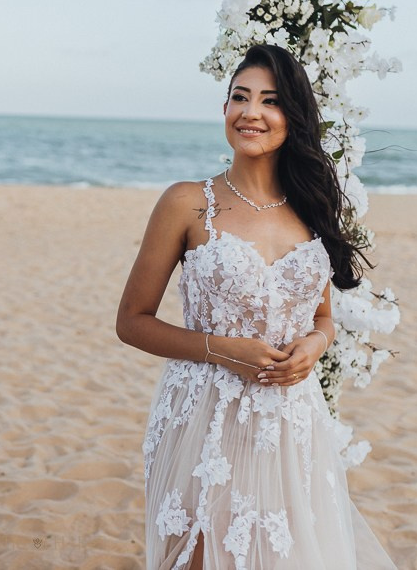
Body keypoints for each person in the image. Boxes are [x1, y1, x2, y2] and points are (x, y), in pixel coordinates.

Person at [116, 45, 396, 569]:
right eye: (239, 97)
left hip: (289, 420)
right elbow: (131, 322)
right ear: (224, 108)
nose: (251, 112)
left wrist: (315, 345)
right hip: (202, 415)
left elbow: (323, 317)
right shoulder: (186, 203)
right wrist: (222, 350)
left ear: (292, 115)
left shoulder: (312, 208)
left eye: (270, 101)